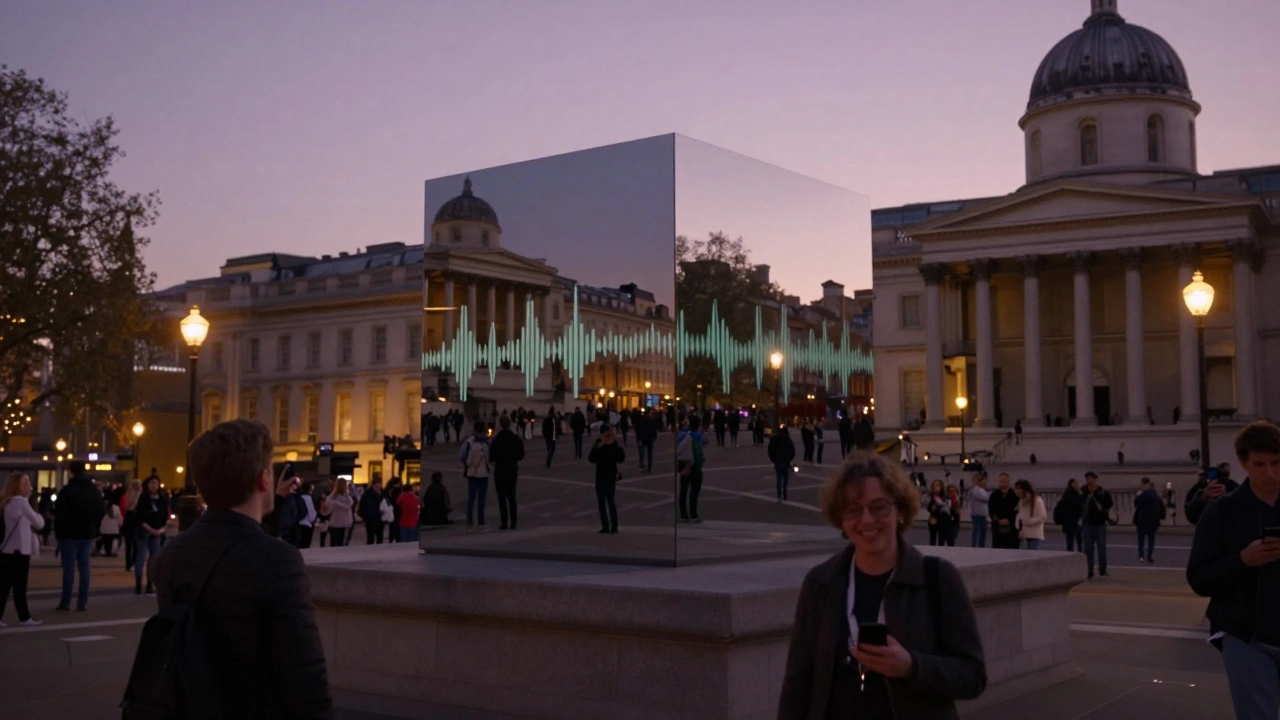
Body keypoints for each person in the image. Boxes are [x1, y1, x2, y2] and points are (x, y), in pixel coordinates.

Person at [777, 452, 986, 719]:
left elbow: (973, 676)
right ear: (841, 519)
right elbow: (797, 685)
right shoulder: (820, 583)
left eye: (879, 507)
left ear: (899, 511)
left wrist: (912, 666)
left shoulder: (939, 578)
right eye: (853, 510)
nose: (866, 520)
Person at [149, 418, 333, 718]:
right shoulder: (280, 561)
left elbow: (232, 541)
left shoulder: (172, 554)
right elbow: (304, 676)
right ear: (263, 480)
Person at [1187, 421, 1280, 720]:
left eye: (1277, 463)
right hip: (1248, 640)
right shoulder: (1222, 512)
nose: (1270, 473)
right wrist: (1242, 560)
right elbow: (1199, 578)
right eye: (1260, 464)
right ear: (1243, 463)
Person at [53, 462, 104, 612]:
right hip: (87, 533)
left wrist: (59, 533)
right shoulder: (93, 490)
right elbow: (100, 510)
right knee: (85, 569)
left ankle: (66, 602)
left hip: (69, 534)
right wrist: (94, 526)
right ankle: (82, 602)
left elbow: (60, 514)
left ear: (71, 472)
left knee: (68, 569)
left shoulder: (67, 490)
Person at [1, 473, 45, 627]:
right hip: (19, 551)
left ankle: (20, 617)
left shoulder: (6, 502)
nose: (29, 486)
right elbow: (39, 523)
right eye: (25, 483)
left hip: (7, 550)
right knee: (19, 587)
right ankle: (24, 618)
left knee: (5, 586)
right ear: (18, 486)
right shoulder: (21, 502)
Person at [132, 477, 170, 595]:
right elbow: (139, 517)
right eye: (151, 483)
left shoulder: (163, 499)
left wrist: (161, 530)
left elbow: (166, 517)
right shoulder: (143, 498)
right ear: (147, 485)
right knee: (141, 558)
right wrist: (150, 529)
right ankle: (138, 583)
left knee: (154, 559)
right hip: (144, 531)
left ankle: (150, 583)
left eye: (156, 483)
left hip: (158, 531)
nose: (154, 485)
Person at [490, 414, 525, 531]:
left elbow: (491, 457)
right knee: (512, 496)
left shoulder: (496, 439)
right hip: (512, 469)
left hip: (500, 469)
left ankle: (504, 522)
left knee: (501, 497)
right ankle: (513, 522)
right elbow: (521, 455)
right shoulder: (515, 438)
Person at [588, 425, 624, 534]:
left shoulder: (614, 445)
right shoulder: (600, 445)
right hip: (600, 478)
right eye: (605, 434)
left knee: (610, 502)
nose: (607, 437)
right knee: (601, 504)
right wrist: (597, 446)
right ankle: (605, 526)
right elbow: (591, 459)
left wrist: (616, 444)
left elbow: (621, 458)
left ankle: (614, 526)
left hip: (610, 478)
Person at [1080, 471, 1113, 579]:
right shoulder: (1083, 492)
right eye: (1087, 478)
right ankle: (1089, 571)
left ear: (1095, 479)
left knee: (1101, 548)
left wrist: (1098, 496)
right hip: (1087, 524)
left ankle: (1102, 570)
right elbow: (1079, 505)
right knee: (1088, 549)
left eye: (1091, 478)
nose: (1089, 481)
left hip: (1100, 523)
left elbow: (1108, 504)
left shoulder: (1102, 492)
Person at [460, 421, 492, 528]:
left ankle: (469, 520)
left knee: (471, 498)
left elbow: (462, 456)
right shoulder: (487, 442)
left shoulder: (469, 442)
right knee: (481, 499)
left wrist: (467, 466)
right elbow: (491, 456)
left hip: (472, 473)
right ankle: (481, 520)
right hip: (484, 474)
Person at [676, 417, 706, 522]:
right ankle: (693, 514)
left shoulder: (683, 435)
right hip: (695, 465)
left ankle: (683, 515)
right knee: (694, 492)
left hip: (684, 464)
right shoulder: (698, 436)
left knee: (683, 491)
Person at [1133, 477, 1163, 563]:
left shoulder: (1141, 494)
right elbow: (1159, 505)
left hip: (1142, 520)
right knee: (1151, 540)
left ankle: (1141, 556)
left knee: (1141, 540)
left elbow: (1136, 504)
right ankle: (1149, 557)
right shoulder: (1154, 494)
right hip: (1152, 520)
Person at [987, 472, 1019, 550]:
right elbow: (991, 508)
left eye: (1004, 481)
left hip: (1012, 526)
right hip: (997, 525)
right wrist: (997, 520)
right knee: (997, 547)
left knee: (1012, 546)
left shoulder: (1014, 494)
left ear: (1008, 482)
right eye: (1000, 481)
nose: (1002, 483)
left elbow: (1017, 509)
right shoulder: (994, 494)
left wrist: (1009, 520)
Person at [1014, 479, 1046, 550]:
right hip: (1025, 532)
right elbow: (1020, 514)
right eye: (1016, 489)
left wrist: (1029, 522)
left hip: (1035, 533)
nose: (1017, 491)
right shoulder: (1021, 500)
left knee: (1032, 553)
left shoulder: (1037, 500)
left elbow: (1042, 516)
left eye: (1019, 489)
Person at [1054, 478, 1085, 552]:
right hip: (1075, 521)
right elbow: (1080, 508)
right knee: (1078, 541)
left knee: (1070, 541)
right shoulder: (1076, 496)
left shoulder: (1066, 496)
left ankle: (1071, 553)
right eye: (1077, 484)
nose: (1079, 486)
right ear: (1073, 484)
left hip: (1068, 522)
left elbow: (1058, 509)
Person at [322, 478, 355, 547]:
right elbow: (349, 505)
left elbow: (328, 505)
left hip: (337, 523)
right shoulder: (346, 497)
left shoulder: (334, 497)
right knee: (342, 545)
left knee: (335, 544)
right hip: (343, 523)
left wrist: (335, 501)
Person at [769, 424, 797, 501]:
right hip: (785, 462)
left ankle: (779, 493)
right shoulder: (788, 439)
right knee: (785, 478)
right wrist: (789, 459)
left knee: (779, 478)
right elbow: (792, 451)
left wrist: (773, 459)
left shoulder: (774, 438)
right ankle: (784, 492)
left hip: (777, 461)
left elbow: (770, 450)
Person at [925, 480, 952, 547]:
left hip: (943, 518)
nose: (935, 487)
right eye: (933, 485)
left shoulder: (946, 496)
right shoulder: (929, 496)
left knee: (942, 536)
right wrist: (935, 499)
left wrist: (940, 503)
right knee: (932, 536)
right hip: (933, 517)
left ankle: (941, 550)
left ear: (941, 486)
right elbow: (930, 508)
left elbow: (947, 507)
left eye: (937, 485)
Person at [358, 480, 384, 545]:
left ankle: (379, 546)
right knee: (370, 534)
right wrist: (364, 515)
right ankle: (371, 547)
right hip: (369, 516)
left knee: (379, 534)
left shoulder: (382, 493)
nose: (379, 486)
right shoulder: (367, 493)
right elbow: (362, 504)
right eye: (377, 484)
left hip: (379, 516)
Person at [968, 474, 990, 548]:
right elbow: (986, 498)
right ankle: (976, 546)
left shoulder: (982, 490)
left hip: (982, 514)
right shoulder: (976, 490)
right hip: (978, 514)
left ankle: (981, 545)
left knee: (982, 532)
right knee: (978, 532)